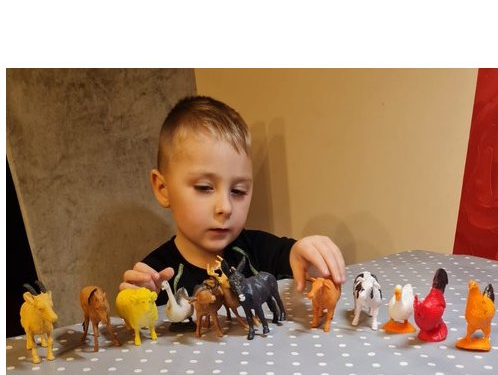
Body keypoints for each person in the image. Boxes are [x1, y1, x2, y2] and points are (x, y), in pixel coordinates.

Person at [121, 95, 346, 305]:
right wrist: (135, 301)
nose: (225, 208)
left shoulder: (259, 250)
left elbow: (296, 260)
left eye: (238, 191)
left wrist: (307, 254)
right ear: (163, 189)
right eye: (204, 188)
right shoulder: (155, 275)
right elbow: (137, 323)